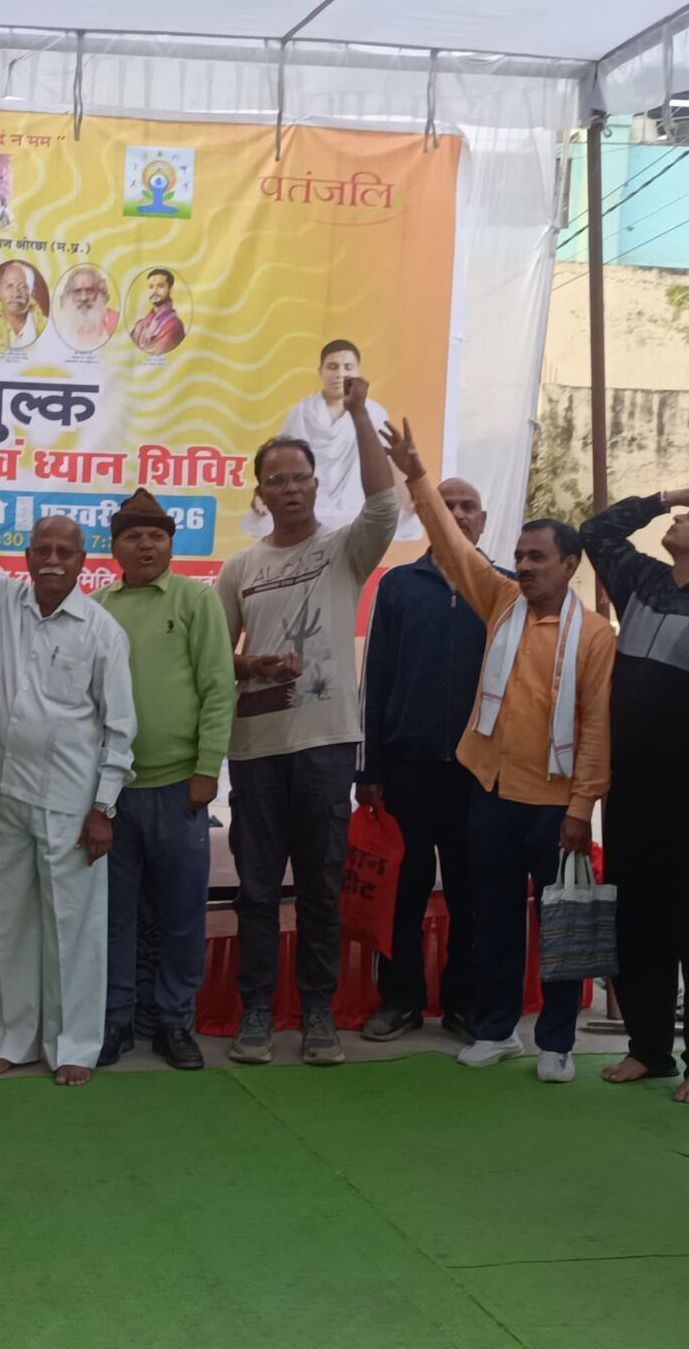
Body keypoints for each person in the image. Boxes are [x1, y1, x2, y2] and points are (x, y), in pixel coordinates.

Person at [387, 419, 613, 1083]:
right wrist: (416, 476)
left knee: (560, 926)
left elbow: (596, 727)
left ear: (570, 565)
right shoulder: (501, 600)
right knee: (492, 921)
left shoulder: (594, 636)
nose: (526, 565)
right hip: (489, 793)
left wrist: (581, 808)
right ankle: (494, 1030)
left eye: (539, 557)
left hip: (556, 807)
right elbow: (453, 547)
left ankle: (556, 1043)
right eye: (520, 554)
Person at [0, 413, 136, 1083]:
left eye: (65, 552)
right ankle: (10, 1039)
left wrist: (103, 807)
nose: (52, 560)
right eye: (42, 549)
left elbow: (119, 728)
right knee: (9, 924)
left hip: (75, 806)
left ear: (83, 562)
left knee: (74, 928)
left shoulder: (102, 631)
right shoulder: (4, 601)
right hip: (9, 798)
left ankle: (73, 1048)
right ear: (26, 556)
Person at [218, 375, 396, 1067]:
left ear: (317, 485)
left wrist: (359, 413)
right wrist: (252, 664)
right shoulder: (240, 568)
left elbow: (383, 500)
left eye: (299, 477)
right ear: (259, 493)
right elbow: (215, 661)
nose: (289, 489)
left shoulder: (346, 549)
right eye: (276, 480)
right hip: (256, 748)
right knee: (258, 890)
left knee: (321, 887)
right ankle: (257, 1012)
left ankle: (318, 1012)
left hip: (326, 745)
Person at [580, 484, 689, 1100]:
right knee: (636, 919)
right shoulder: (644, 582)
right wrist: (666, 495)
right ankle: (648, 1049)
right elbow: (596, 532)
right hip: (630, 784)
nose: (679, 516)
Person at [92, 489, 233, 1071]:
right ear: (115, 547)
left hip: (179, 787)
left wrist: (207, 768)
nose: (145, 545)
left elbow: (218, 687)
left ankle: (175, 1022)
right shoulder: (96, 607)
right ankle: (115, 1021)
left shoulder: (196, 600)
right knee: (113, 917)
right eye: (133, 536)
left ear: (171, 544)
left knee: (181, 915)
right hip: (112, 793)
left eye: (156, 535)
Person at [357, 474, 497, 1042]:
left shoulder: (504, 588)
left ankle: (465, 1002)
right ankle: (400, 999)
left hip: (480, 772)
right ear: (427, 515)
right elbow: (375, 677)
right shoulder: (398, 585)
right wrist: (369, 768)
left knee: (472, 892)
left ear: (483, 521)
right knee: (404, 891)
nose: (458, 514)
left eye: (468, 506)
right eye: (447, 505)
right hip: (407, 769)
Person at [241, 341, 412, 538]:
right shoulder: (303, 410)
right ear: (320, 372)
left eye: (348, 367)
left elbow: (389, 461)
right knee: (265, 520)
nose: (340, 374)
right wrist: (263, 494)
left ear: (358, 372)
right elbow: (279, 461)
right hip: (309, 502)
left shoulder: (373, 412)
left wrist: (407, 497)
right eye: (332, 367)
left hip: (357, 503)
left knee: (403, 518)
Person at [0, 262, 45, 350]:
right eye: (9, 286)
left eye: (23, 287)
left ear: (32, 293)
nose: (15, 294)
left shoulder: (46, 326)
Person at [54, 266, 117, 350]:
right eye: (77, 292)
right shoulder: (59, 325)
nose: (83, 298)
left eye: (89, 291)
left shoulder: (115, 319)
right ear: (70, 294)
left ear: (100, 292)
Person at [128, 269, 186, 355]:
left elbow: (157, 353)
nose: (154, 291)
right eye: (151, 287)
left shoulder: (174, 325)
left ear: (171, 290)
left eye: (160, 286)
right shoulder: (140, 324)